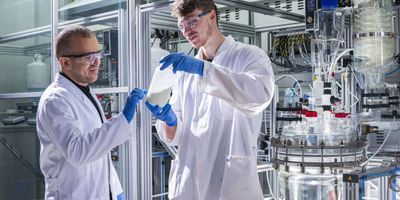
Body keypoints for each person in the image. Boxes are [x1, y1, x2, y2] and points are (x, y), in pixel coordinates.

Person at [145, 0, 275, 199]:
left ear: (212, 16)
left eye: (191, 22)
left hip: (229, 180)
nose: (186, 31)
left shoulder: (248, 56)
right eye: (181, 26)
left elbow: (260, 95)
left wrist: (203, 70)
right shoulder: (184, 72)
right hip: (189, 180)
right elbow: (177, 134)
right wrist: (169, 120)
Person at [36, 25, 146, 200]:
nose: (97, 62)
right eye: (88, 57)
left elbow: (99, 151)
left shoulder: (84, 91)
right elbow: (78, 153)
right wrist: (123, 119)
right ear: (65, 62)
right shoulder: (55, 100)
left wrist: (115, 190)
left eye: (98, 54)